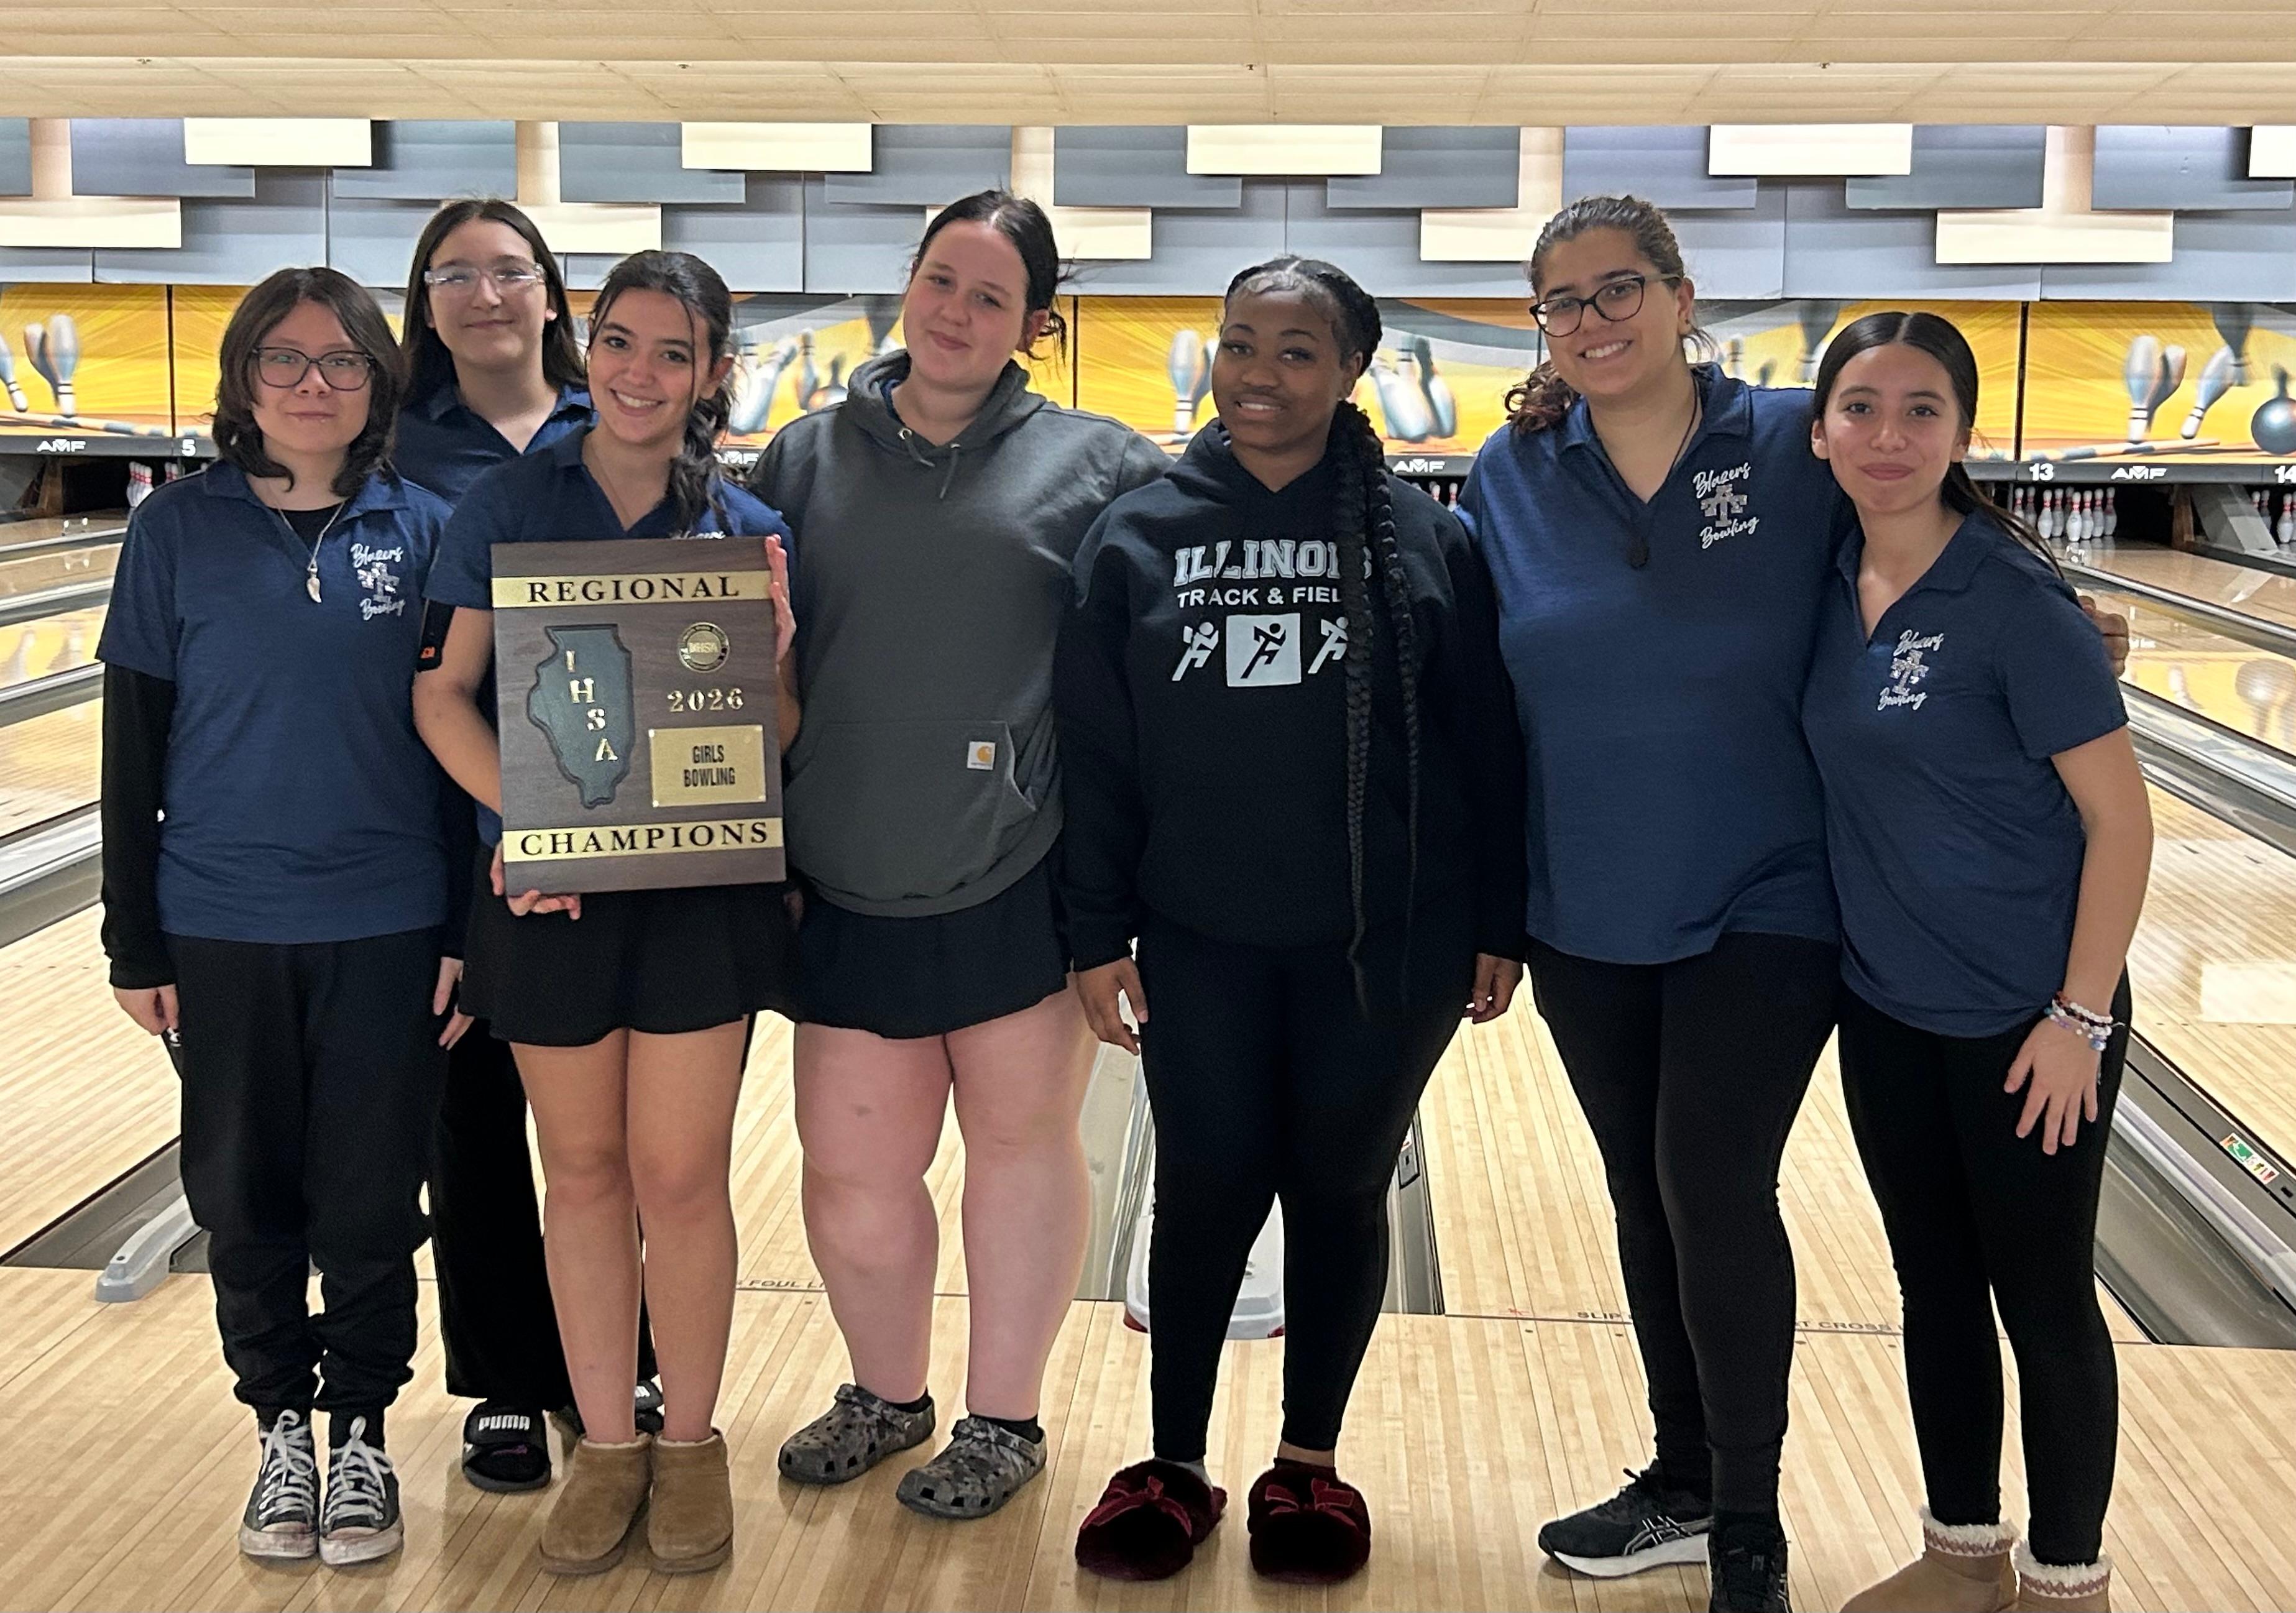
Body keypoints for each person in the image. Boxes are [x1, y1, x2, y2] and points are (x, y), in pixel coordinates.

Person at [1458, 195, 2128, 1613]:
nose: (1591, 319)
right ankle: (1681, 1474)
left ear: (1681, 293)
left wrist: (2068, 604)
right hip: (1584, 901)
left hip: (1772, 895)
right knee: (1643, 1191)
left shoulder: (1786, 440)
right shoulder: (1509, 469)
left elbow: (1928, 524)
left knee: (1708, 1178)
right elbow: (1473, 692)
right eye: (1561, 301)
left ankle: (1746, 1511)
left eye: (1618, 287)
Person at [1056, 257, 1527, 1584]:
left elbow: (1483, 741)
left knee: (1335, 1185)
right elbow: (1091, 751)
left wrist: (1500, 916)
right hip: (1198, 933)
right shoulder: (1138, 531)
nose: (1260, 373)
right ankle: (1174, 1461)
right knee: (1202, 1186)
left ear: (1349, 370)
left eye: (1297, 351)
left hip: (1389, 945)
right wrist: (1094, 932)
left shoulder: (1422, 538)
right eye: (1238, 343)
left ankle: (1306, 1466)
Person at [747, 191, 1170, 1519]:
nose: (955, 312)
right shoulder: (798, 458)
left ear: (1033, 324)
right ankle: (887, 1390)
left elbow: (1164, 651)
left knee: (1019, 1145)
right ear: (907, 286)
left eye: (991, 297)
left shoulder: (1102, 462)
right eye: (941, 281)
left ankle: (1002, 1416)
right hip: (842, 862)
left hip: (1015, 863)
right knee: (856, 1168)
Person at [413, 249, 797, 1577]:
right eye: (620, 341)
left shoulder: (745, 524)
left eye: (672, 352)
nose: (639, 371)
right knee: (578, 1173)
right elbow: (441, 695)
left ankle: (686, 1441)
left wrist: (780, 652)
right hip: (550, 887)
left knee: (680, 1176)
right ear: (592, 350)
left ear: (709, 375)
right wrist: (526, 818)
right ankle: (607, 1446)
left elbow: (774, 734)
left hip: (695, 897)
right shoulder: (506, 504)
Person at [98, 266, 454, 1568]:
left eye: (343, 361)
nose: (315, 384)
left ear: (378, 382)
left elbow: (461, 742)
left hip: (390, 918)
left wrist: (465, 929)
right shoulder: (174, 531)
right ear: (244, 378)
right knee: (243, 1197)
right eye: (287, 361)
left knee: (370, 1196)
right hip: (221, 919)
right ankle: (279, 1431)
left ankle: (360, 1424)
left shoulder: (424, 528)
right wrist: (131, 937)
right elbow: (132, 745)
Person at [1805, 313, 2149, 1613]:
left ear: (1960, 433)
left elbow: (2119, 821)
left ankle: (2068, 1580)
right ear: (1820, 429)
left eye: (1918, 410)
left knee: (2042, 1296)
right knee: (1933, 1283)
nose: (1885, 436)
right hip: (1886, 1008)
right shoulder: (1822, 578)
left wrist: (2077, 1016)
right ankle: (1961, 1552)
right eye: (1858, 408)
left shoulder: (2013, 605)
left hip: (2028, 1017)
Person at [393, 196, 664, 1495]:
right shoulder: (390, 446)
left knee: (621, 1123)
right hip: (443, 816)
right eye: (456, 274)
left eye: (509, 270)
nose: (485, 294)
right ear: (426, 299)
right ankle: (507, 1375)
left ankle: (625, 1358)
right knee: (472, 1107)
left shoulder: (615, 418)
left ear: (552, 293)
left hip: (614, 813)